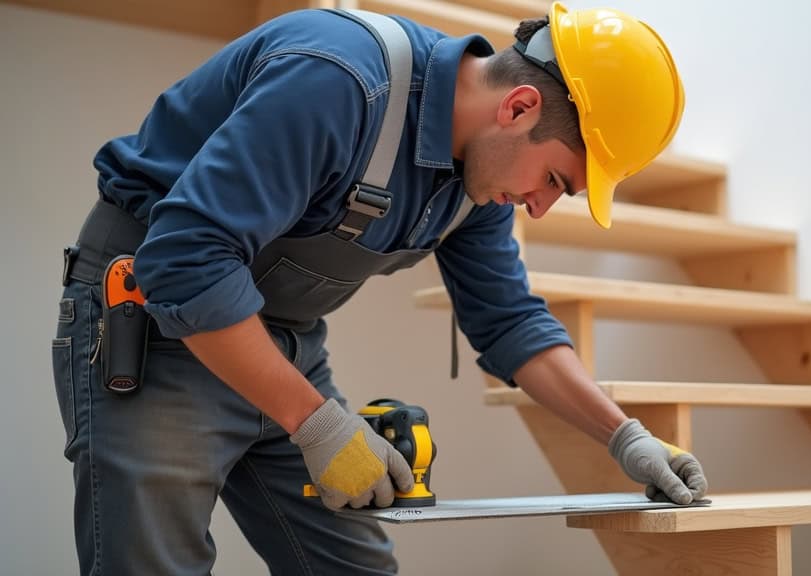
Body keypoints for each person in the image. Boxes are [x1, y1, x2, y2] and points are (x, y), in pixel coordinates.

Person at [51, 2, 707, 574]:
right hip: (148, 322)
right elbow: (184, 259)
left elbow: (509, 321)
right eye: (558, 181)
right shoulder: (340, 80)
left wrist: (627, 438)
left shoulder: (476, 183)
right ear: (518, 106)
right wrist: (315, 421)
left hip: (282, 345)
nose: (539, 207)